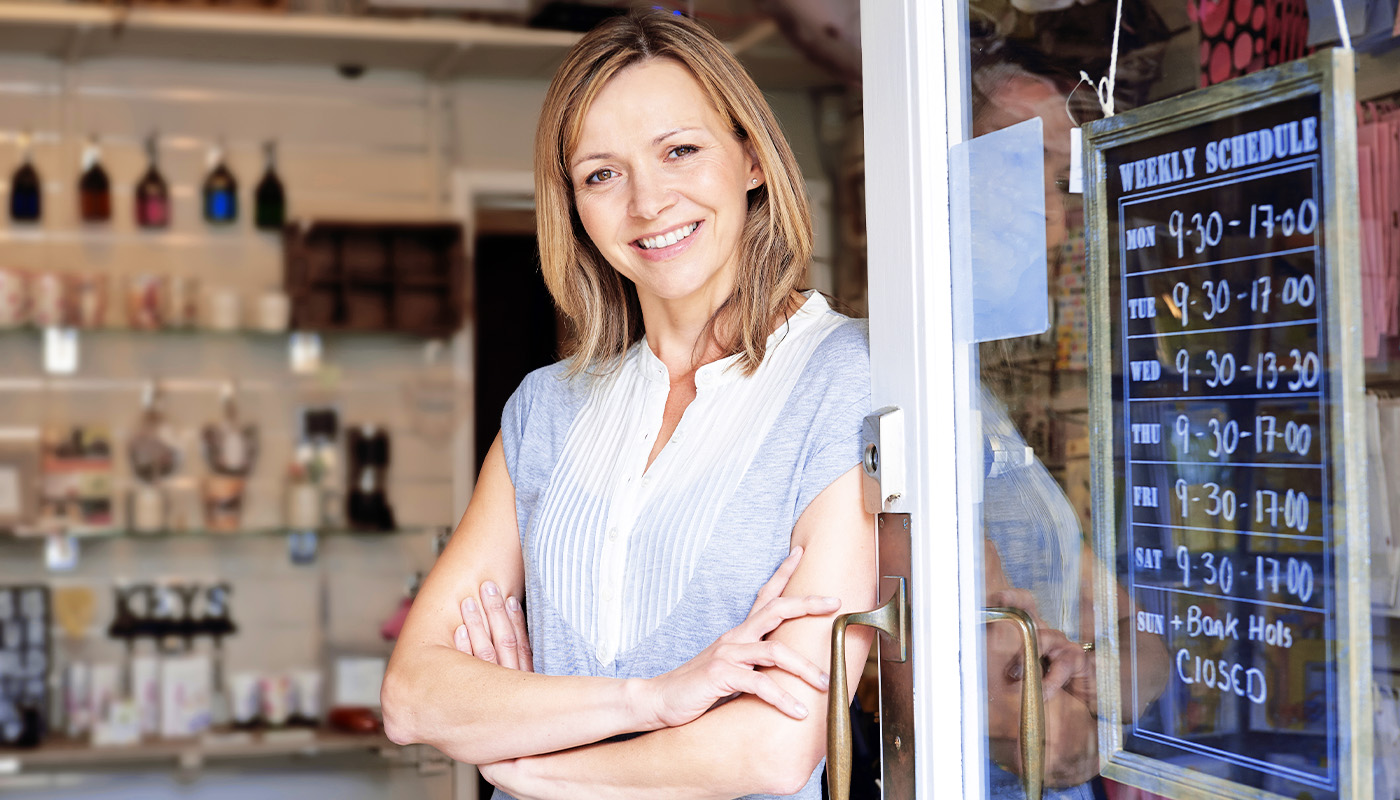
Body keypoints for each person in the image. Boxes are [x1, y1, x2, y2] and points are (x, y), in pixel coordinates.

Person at [380, 9, 877, 800]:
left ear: (751, 158)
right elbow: (413, 697)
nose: (648, 203)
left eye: (680, 150)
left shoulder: (846, 376)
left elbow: (773, 746)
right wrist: (651, 700)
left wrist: (526, 763)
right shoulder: (545, 408)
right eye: (601, 174)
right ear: (572, 203)